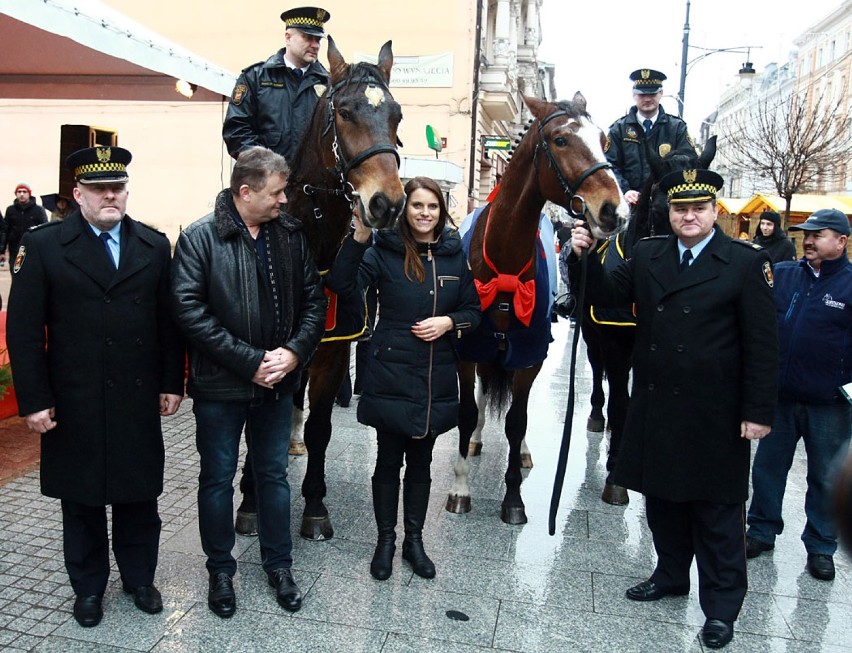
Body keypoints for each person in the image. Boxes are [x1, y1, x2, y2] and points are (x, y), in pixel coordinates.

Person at [570, 168, 777, 649]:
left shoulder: (745, 263)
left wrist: (758, 411)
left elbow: (764, 344)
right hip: (658, 402)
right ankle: (669, 575)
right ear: (669, 213)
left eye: (698, 208)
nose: (688, 216)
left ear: (714, 212)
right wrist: (583, 258)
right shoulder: (647, 253)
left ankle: (722, 610)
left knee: (717, 515)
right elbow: (604, 297)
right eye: (680, 209)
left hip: (716, 411)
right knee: (662, 501)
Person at [5, 146, 185, 628]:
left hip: (135, 394)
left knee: (138, 493)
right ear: (77, 194)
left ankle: (139, 579)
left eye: (118, 187)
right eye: (100, 188)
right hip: (74, 397)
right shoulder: (44, 246)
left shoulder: (152, 245)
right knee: (81, 498)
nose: (111, 195)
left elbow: (168, 323)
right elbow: (23, 331)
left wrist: (172, 381)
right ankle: (87, 588)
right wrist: (35, 399)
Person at [170, 146, 325, 618]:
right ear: (245, 191)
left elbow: (313, 302)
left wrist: (294, 352)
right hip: (220, 388)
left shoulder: (290, 235)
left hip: (277, 385)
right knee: (216, 480)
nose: (284, 201)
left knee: (274, 478)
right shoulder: (199, 238)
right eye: (277, 193)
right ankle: (221, 571)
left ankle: (279, 566)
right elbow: (188, 311)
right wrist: (250, 360)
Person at [325, 176, 481, 581]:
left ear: (441, 212)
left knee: (422, 463)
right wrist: (359, 236)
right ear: (404, 210)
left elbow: (473, 310)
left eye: (432, 207)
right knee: (388, 460)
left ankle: (414, 541)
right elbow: (341, 284)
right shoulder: (384, 251)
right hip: (391, 369)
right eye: (417, 206)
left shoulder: (453, 255)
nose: (425, 213)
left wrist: (449, 321)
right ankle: (385, 541)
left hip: (435, 374)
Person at [746, 208, 852, 582]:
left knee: (824, 476)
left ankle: (821, 547)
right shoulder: (785, 275)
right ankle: (760, 530)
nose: (807, 240)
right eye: (805, 233)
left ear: (841, 241)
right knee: (768, 467)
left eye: (818, 234)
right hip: (779, 397)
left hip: (830, 403)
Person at [222, 6, 331, 162]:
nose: (316, 45)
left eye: (318, 39)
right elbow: (237, 131)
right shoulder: (255, 78)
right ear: (288, 37)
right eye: (307, 37)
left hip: (314, 184)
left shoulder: (329, 83)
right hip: (266, 182)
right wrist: (267, 167)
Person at [604, 69, 694, 208]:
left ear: (661, 94)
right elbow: (609, 165)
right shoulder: (619, 129)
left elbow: (688, 162)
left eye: (652, 94)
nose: (647, 99)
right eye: (642, 94)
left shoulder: (677, 128)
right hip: (629, 204)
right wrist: (625, 191)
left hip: (667, 204)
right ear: (634, 95)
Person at [2, 182, 47, 264]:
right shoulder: (10, 210)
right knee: (16, 273)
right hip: (15, 250)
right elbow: (5, 230)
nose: (22, 194)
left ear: (29, 194)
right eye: (19, 192)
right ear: (16, 194)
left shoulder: (39, 210)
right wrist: (2, 250)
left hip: (33, 249)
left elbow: (45, 230)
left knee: (31, 274)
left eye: (24, 192)